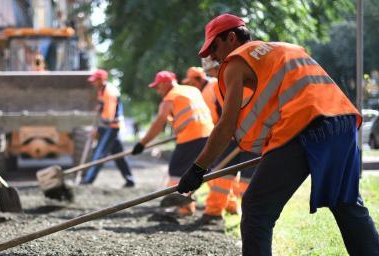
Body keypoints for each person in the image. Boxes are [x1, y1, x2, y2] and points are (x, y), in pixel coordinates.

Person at [177, 14, 379, 255]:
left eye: (214, 46)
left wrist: (198, 169)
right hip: (342, 122)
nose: (212, 56)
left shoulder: (236, 61)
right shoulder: (282, 49)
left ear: (231, 38)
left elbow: (226, 126)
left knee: (256, 209)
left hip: (305, 126)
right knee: (347, 204)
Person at [182, 65, 257, 224]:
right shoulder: (215, 86)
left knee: (236, 178)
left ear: (201, 78)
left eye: (192, 82)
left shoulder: (213, 87)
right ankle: (225, 211)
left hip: (238, 136)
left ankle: (220, 213)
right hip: (239, 135)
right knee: (230, 177)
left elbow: (220, 118)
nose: (191, 85)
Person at [132, 71, 214, 217]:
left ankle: (180, 208)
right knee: (201, 169)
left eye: (158, 87)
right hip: (209, 134)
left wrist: (142, 144)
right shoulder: (192, 90)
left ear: (165, 83)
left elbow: (159, 124)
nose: (158, 91)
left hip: (192, 137)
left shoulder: (170, 98)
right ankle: (189, 206)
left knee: (177, 171)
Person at [81, 69, 136, 187]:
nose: (93, 83)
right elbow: (103, 109)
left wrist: (98, 130)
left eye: (95, 81)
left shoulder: (109, 92)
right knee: (119, 155)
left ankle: (87, 180)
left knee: (99, 153)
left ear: (101, 80)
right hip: (109, 126)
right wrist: (100, 107)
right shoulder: (102, 90)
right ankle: (129, 180)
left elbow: (109, 117)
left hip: (111, 126)